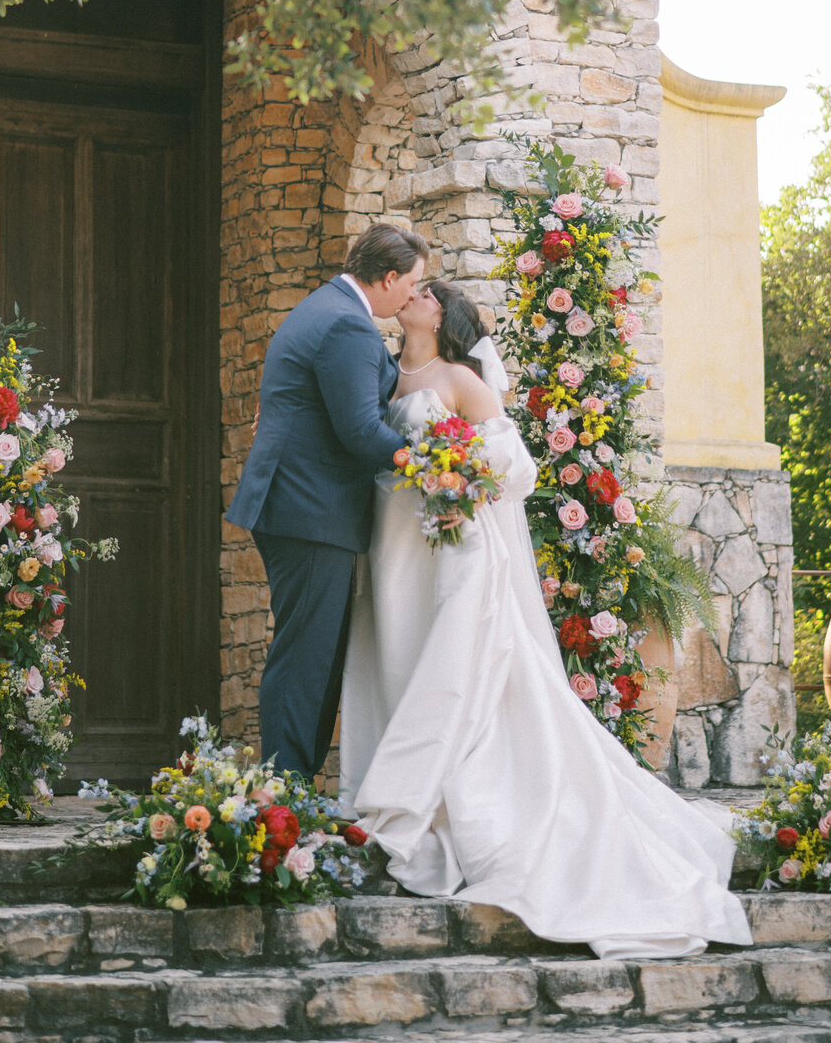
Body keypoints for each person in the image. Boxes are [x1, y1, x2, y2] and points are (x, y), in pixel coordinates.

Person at [339, 278, 753, 959]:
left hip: (452, 548)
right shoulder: (389, 374)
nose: (409, 295)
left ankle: (445, 807)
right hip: (393, 550)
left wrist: (456, 477)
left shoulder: (460, 378)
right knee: (404, 662)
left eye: (422, 291)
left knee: (456, 675)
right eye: (406, 288)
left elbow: (515, 466)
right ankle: (418, 801)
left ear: (441, 313)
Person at [226, 222, 429, 778]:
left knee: (314, 653)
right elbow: (361, 432)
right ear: (387, 278)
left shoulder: (327, 307)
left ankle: (290, 788)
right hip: (310, 510)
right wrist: (433, 463)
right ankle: (283, 791)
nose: (414, 294)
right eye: (412, 283)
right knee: (306, 658)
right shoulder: (347, 326)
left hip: (302, 505)